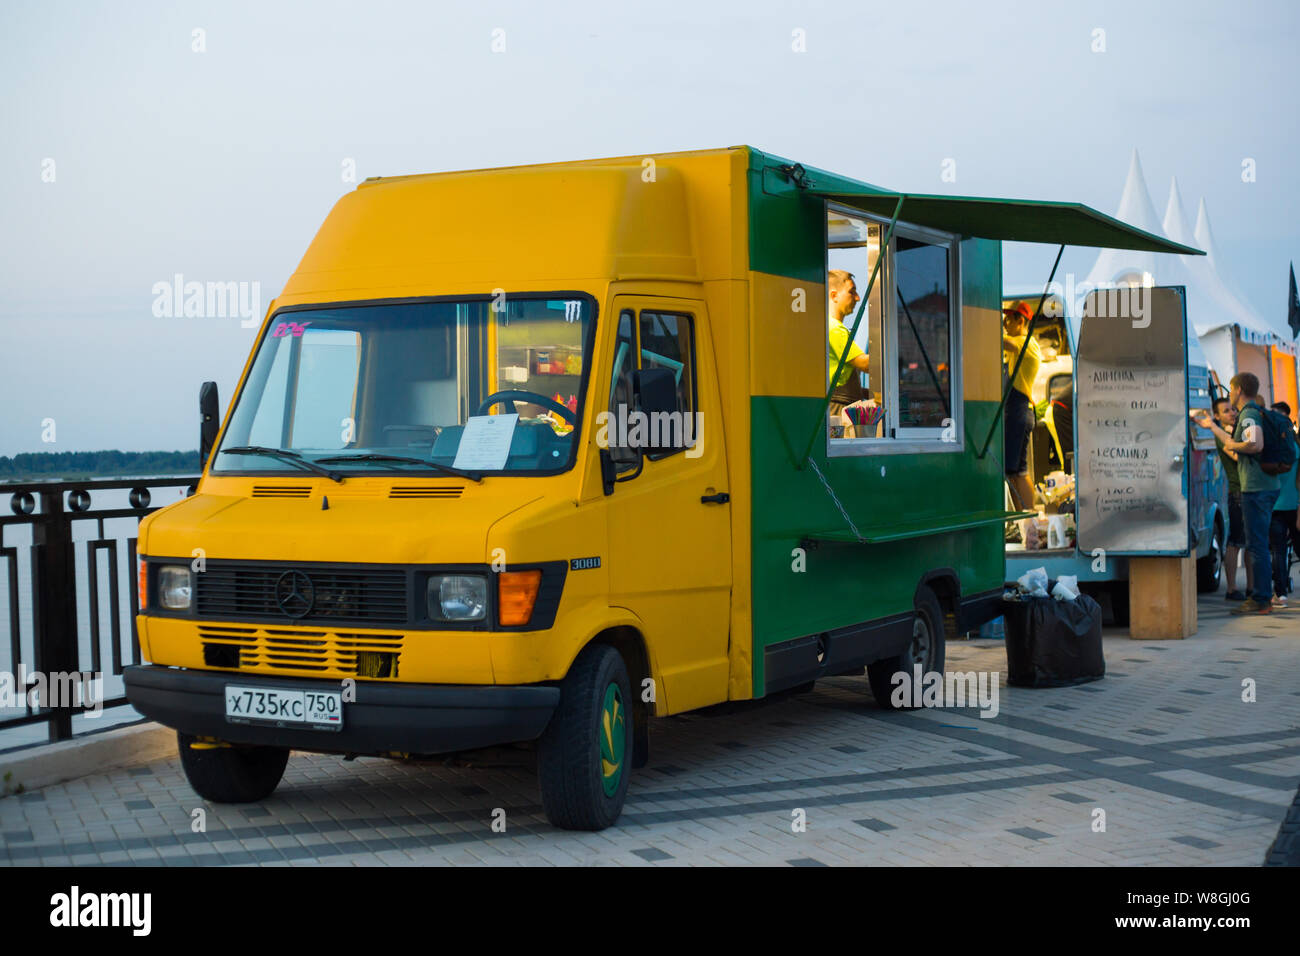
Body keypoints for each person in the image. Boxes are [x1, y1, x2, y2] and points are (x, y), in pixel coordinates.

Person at [1193, 372, 1281, 615]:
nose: (1230, 395)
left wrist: (1233, 444)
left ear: (1239, 389)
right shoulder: (1252, 413)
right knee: (1256, 544)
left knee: (1257, 545)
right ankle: (1262, 596)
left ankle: (1261, 599)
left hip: (1255, 487)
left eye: (1231, 390)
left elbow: (1256, 444)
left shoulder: (1250, 414)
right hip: (1263, 485)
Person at [1001, 301, 1041, 511]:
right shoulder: (1016, 349)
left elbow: (1009, 344)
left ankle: (1026, 516)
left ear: (1021, 321)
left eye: (1008, 319)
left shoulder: (1028, 344)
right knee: (1016, 471)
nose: (1005, 323)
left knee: (1016, 471)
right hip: (1014, 412)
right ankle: (1023, 519)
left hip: (1019, 410)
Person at [1212, 397, 1248, 600]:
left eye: (1233, 409)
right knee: (1235, 540)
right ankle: (1231, 588)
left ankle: (1251, 587)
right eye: (1226, 411)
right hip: (1237, 492)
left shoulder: (1235, 432)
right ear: (1217, 416)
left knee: (1249, 542)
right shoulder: (1222, 436)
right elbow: (1236, 454)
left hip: (1245, 491)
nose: (1232, 413)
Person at [827, 269, 871, 436]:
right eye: (852, 292)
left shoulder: (830, 328)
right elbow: (864, 364)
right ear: (834, 295)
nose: (857, 298)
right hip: (839, 409)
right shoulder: (835, 329)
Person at [1267, 401, 1299, 607]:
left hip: (1276, 505)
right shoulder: (1295, 446)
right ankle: (1280, 592)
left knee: (1277, 550)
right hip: (1294, 505)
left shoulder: (1270, 446)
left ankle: (1280, 594)